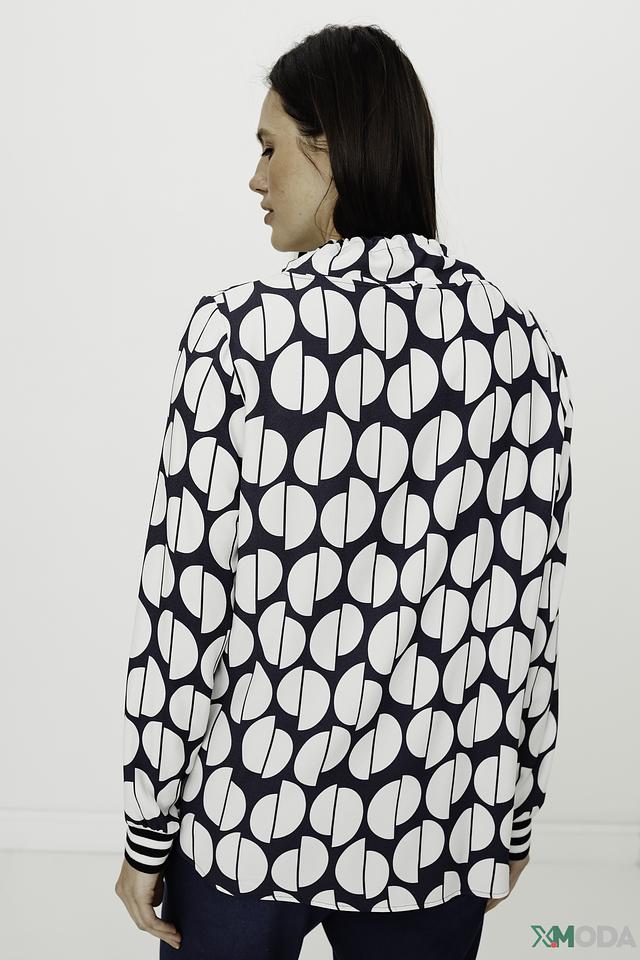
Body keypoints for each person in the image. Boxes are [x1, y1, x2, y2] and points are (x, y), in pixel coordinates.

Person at [115, 22, 573, 959]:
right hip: (436, 824)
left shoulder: (239, 336)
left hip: (248, 824)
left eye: (269, 147)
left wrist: (147, 830)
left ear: (331, 147)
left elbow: (184, 609)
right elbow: (530, 609)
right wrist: (514, 811)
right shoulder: (521, 346)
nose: (255, 178)